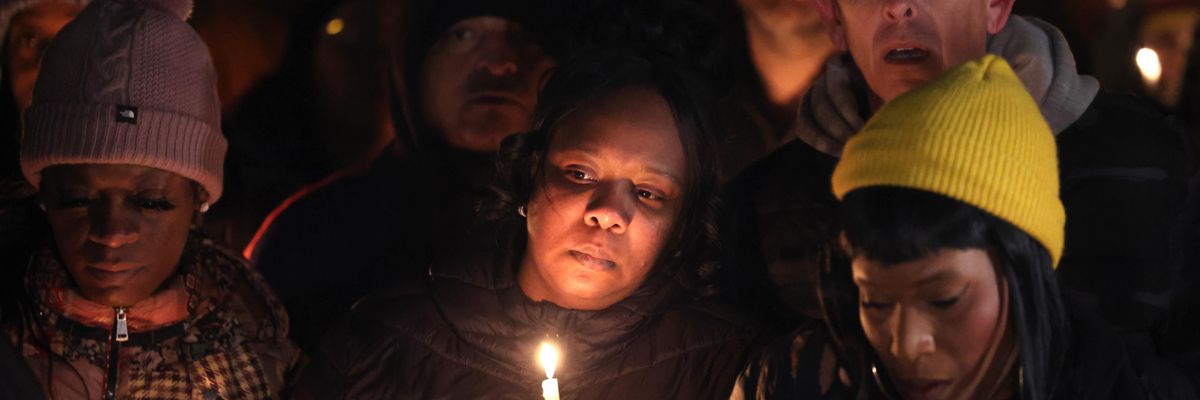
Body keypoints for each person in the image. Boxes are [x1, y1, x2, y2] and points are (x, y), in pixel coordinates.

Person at [724, 0, 1193, 353]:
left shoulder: (1150, 161)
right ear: (833, 16)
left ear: (994, 6)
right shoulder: (765, 206)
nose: (897, 6)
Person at [289, 48, 757, 399]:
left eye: (649, 193)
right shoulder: (384, 344)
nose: (609, 213)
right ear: (531, 172)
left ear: (684, 222)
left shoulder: (726, 371)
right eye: (580, 174)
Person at [1, 0, 297, 397]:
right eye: (77, 200)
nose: (112, 232)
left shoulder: (256, 354)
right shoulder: (11, 338)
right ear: (43, 194)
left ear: (197, 199)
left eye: (152, 201)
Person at [242, 0, 560, 355]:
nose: (499, 62)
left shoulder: (587, 231)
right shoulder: (312, 234)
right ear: (413, 62)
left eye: (523, 36)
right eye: (462, 34)